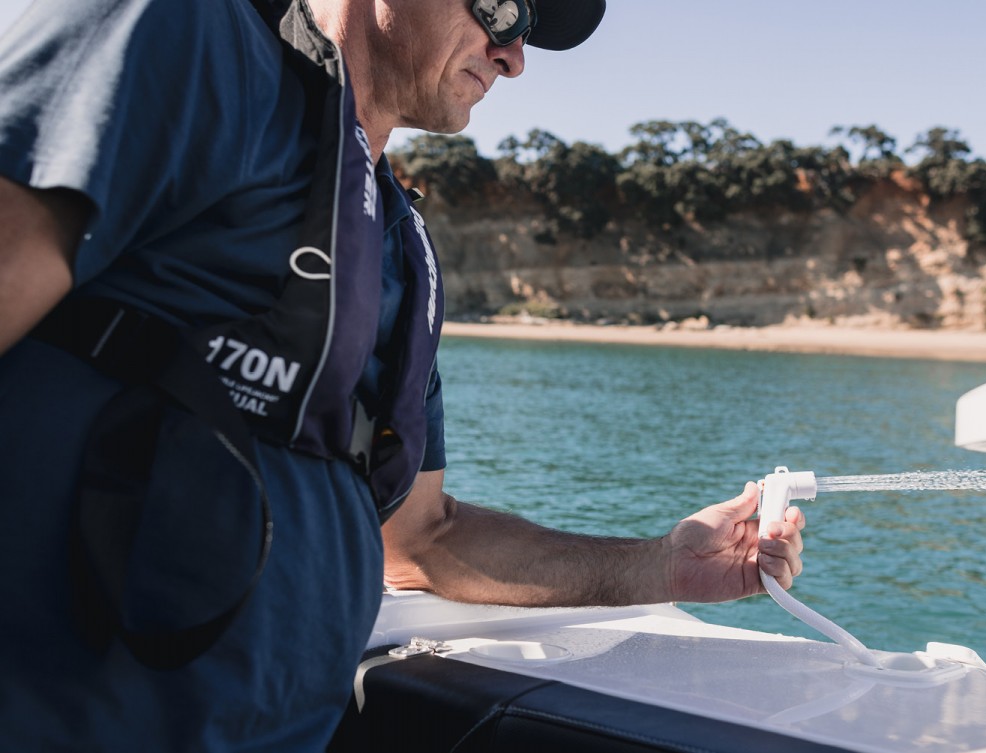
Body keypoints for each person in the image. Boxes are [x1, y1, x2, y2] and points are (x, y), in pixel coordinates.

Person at [0, 0, 807, 750]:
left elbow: (423, 539)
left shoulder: (397, 249)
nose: (515, 55)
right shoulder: (188, 38)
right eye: (502, 7)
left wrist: (663, 564)